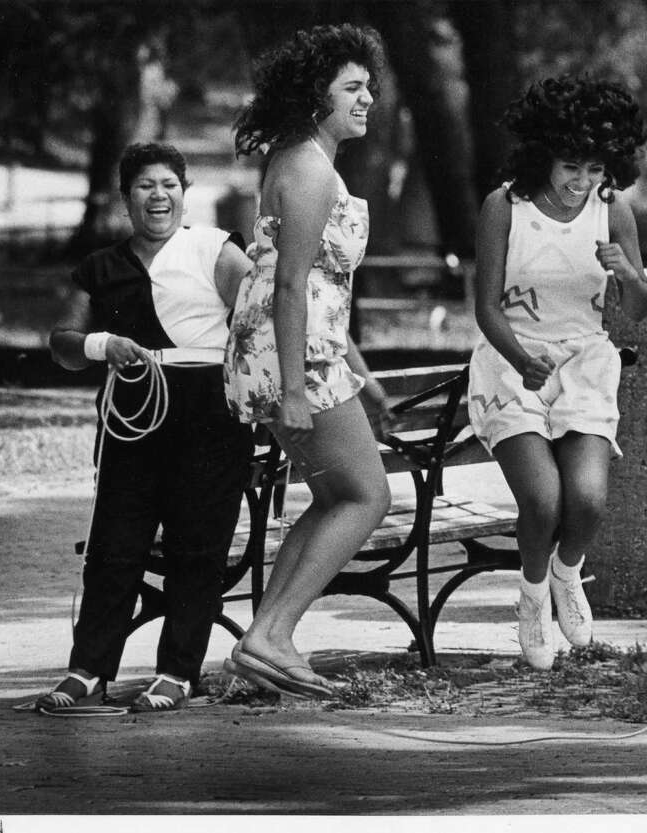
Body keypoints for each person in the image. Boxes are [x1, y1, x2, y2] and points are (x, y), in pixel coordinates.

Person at [41, 142, 255, 713]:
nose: (158, 196)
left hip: (209, 415)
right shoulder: (102, 267)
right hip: (133, 415)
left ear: (185, 194)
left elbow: (260, 321)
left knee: (197, 543)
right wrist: (101, 344)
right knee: (114, 543)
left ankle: (177, 672)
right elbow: (62, 344)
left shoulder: (214, 250)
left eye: (169, 185)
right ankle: (90, 670)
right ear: (126, 197)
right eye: (144, 186)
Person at [223, 24, 391, 697]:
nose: (368, 97)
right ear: (314, 96)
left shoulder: (300, 157)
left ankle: (269, 637)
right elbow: (290, 285)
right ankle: (271, 635)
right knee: (367, 495)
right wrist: (294, 390)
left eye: (369, 86)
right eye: (352, 87)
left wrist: (361, 372)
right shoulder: (313, 170)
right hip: (296, 359)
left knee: (332, 496)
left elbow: (319, 284)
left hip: (296, 351)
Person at [469, 76, 647, 669]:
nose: (581, 182)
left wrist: (628, 273)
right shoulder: (504, 207)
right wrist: (522, 360)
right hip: (511, 359)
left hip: (586, 361)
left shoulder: (612, 209)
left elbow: (639, 307)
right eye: (570, 165)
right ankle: (530, 596)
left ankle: (566, 574)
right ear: (544, 156)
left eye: (594, 168)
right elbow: (486, 307)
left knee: (589, 500)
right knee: (543, 501)